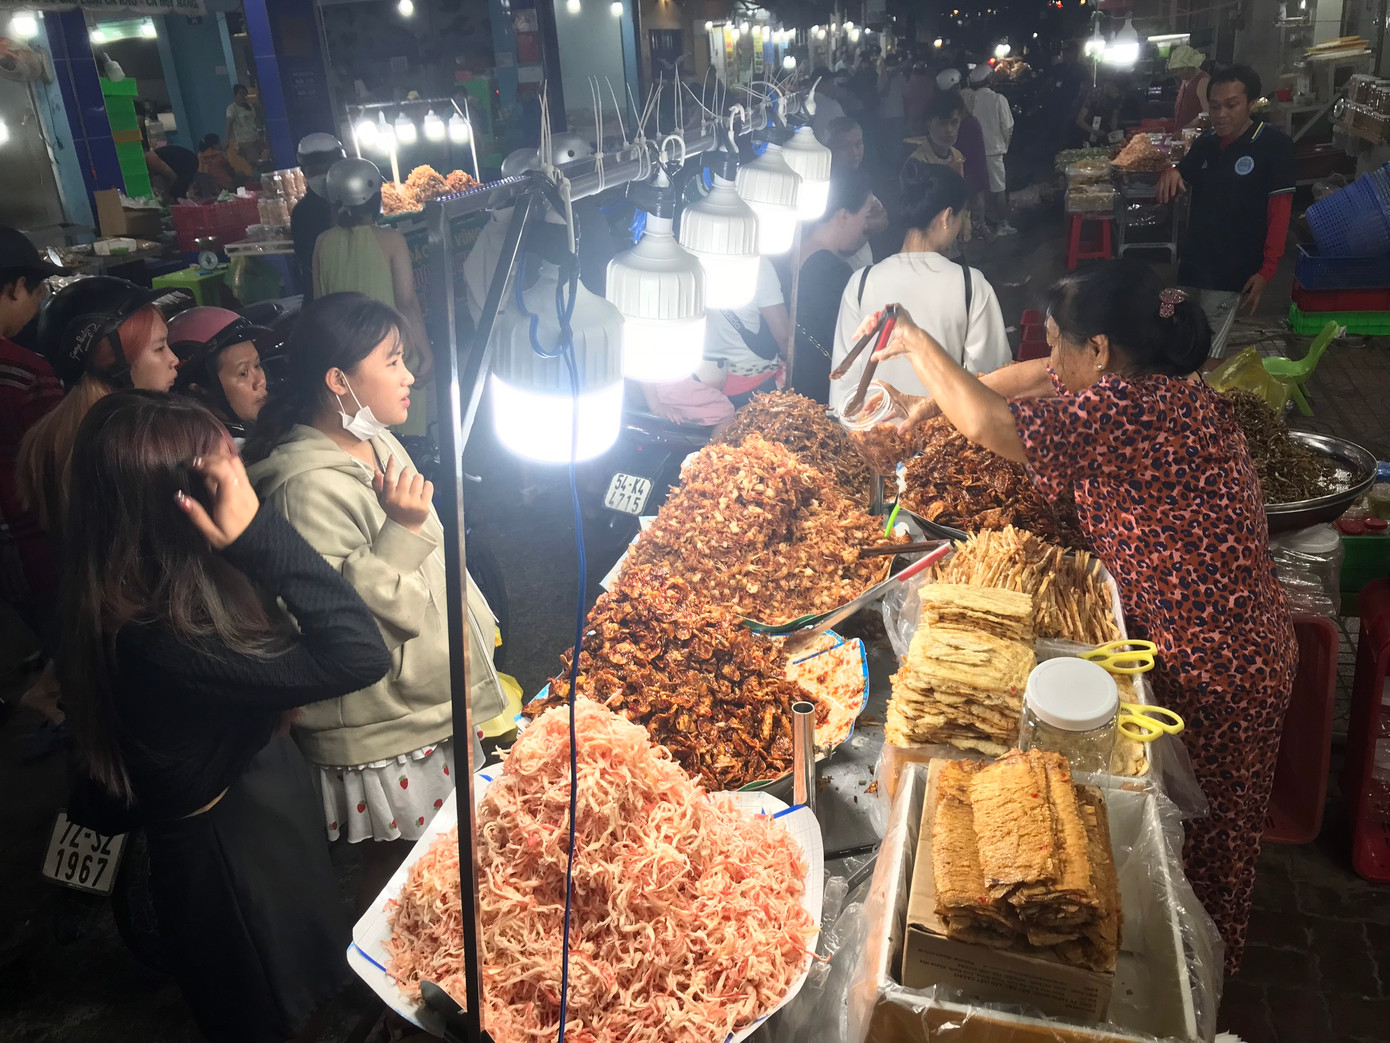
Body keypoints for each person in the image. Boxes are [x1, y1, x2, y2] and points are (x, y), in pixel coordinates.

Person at [859, 259, 1295, 973]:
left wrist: (914, 341)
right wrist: (930, 403)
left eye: (1060, 339)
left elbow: (990, 421)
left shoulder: (1132, 412)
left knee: (1201, 844)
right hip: (1218, 637)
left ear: (1099, 350)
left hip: (1218, 661)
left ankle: (1199, 982)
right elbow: (1035, 378)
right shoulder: (1146, 380)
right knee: (1190, 825)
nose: (1050, 354)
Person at [62, 390, 392, 1042]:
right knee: (273, 1010)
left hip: (257, 803)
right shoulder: (158, 639)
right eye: (224, 469)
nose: (241, 475)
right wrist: (257, 533)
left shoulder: (154, 585)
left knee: (308, 981)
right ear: (183, 502)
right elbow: (359, 652)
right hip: (230, 856)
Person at [243, 293, 505, 908]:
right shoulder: (305, 490)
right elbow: (342, 628)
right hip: (383, 725)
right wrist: (401, 530)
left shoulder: (378, 441)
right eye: (392, 361)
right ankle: (376, 967)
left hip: (426, 700)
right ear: (339, 380)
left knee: (446, 853)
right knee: (400, 868)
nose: (409, 376)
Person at [18, 278, 191, 539]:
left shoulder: (45, 439)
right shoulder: (137, 446)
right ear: (112, 362)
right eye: (159, 348)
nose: (174, 360)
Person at [829, 165, 1009, 407]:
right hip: (945, 427)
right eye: (961, 218)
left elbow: (843, 380)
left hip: (872, 428)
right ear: (947, 217)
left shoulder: (861, 282)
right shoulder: (971, 285)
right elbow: (991, 377)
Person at [1156, 65, 1294, 360]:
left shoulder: (1274, 146)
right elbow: (1182, 172)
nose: (1221, 114)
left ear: (1251, 104)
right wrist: (1172, 170)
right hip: (1194, 262)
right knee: (1185, 337)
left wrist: (1267, 270)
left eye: (1231, 105)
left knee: (1208, 350)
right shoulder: (1206, 144)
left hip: (1232, 268)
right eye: (1215, 106)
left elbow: (1280, 212)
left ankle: (1206, 389)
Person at [0, 228, 66, 651]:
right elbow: (56, 467)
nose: (37, 303)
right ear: (16, 286)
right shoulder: (26, 372)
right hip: (25, 550)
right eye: (35, 292)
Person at [313, 158, 431, 386]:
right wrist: (425, 350)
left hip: (346, 358)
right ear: (376, 200)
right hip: (392, 353)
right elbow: (406, 303)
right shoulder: (392, 240)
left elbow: (320, 305)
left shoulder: (322, 242)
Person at [788, 171, 878, 403]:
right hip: (816, 388)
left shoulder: (793, 250)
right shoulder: (832, 271)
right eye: (866, 214)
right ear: (844, 216)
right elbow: (849, 342)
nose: (866, 225)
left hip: (792, 378)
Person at [696, 257, 791, 408]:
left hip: (698, 380)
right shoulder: (758, 264)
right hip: (751, 382)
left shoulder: (687, 257)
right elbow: (783, 335)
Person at [169, 307, 274, 441]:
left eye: (257, 365)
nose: (260, 381)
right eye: (243, 373)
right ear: (199, 389)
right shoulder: (209, 450)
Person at [902, 92, 972, 243]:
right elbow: (915, 212)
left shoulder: (957, 155)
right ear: (929, 124)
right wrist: (948, 180)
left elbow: (963, 198)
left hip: (953, 242)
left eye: (954, 122)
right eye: (942, 123)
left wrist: (965, 221)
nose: (949, 130)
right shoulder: (916, 163)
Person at [291, 134, 346, 303]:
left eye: (328, 169)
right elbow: (309, 261)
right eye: (315, 172)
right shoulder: (302, 213)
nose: (322, 176)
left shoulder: (354, 204)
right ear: (303, 171)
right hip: (325, 299)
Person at [966, 64, 1017, 235]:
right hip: (994, 151)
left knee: (979, 190)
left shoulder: (969, 99)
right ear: (990, 80)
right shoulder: (998, 99)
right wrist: (1005, 145)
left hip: (974, 152)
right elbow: (1008, 127)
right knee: (999, 189)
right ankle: (1002, 224)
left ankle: (982, 224)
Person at [224, 84, 268, 170]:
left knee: (265, 161)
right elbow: (229, 124)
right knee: (255, 163)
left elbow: (257, 121)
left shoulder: (250, 107)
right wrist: (226, 140)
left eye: (245, 94)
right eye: (241, 93)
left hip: (257, 138)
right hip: (245, 141)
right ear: (235, 95)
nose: (243, 96)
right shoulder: (232, 108)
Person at [1169, 44, 1211, 129]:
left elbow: (1207, 112)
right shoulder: (1185, 80)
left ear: (1189, 66)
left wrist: (1188, 127)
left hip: (1195, 134)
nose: (1178, 73)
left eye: (1180, 69)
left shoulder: (1203, 81)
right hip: (1182, 133)